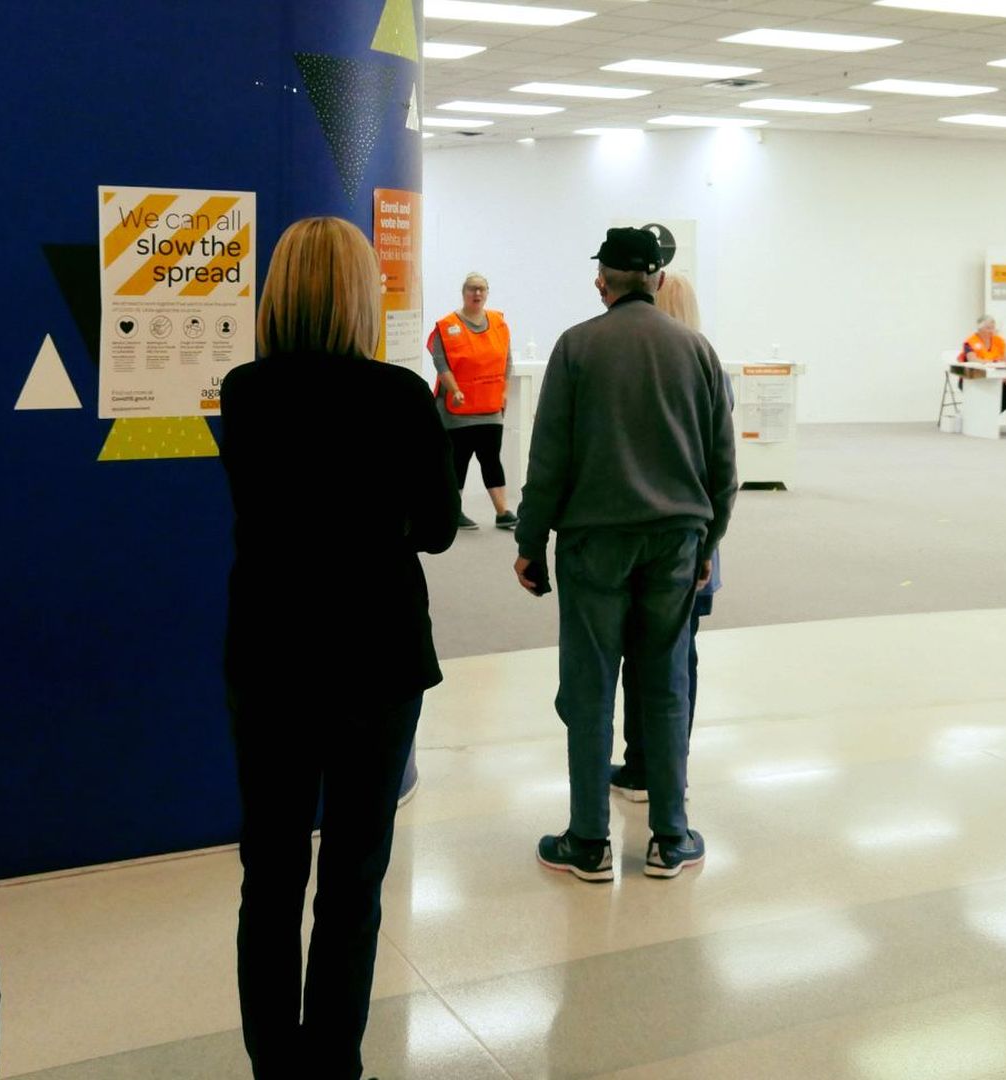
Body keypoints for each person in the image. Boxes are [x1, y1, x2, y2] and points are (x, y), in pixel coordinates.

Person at [219, 216, 459, 1079]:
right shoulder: (401, 396)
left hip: (270, 654)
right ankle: (332, 1068)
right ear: (363, 296)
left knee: (271, 873)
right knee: (354, 880)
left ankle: (273, 1065)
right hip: (377, 658)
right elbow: (438, 530)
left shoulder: (244, 392)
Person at [514, 228, 737, 882]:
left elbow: (548, 459)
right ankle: (670, 837)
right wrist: (708, 543)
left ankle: (589, 842)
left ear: (601, 282)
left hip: (594, 544)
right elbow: (723, 468)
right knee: (664, 684)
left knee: (589, 689)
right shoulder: (698, 351)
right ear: (658, 280)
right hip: (676, 542)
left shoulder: (576, 347)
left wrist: (530, 544)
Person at [611, 272, 723, 803]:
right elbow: (721, 470)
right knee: (678, 656)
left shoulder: (648, 371)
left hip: (657, 539)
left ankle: (645, 765)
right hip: (695, 537)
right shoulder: (705, 367)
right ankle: (664, 765)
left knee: (644, 655)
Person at [428, 272, 518, 530]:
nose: (476, 293)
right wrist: (454, 390)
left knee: (491, 459)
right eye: (471, 288)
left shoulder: (499, 323)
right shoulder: (446, 326)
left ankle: (503, 512)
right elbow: (440, 363)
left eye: (481, 289)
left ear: (487, 292)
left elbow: (507, 360)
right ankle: (453, 511)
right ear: (463, 292)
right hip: (457, 411)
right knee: (458, 461)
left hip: (490, 407)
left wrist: (503, 392)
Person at [959, 314, 1006, 412]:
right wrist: (993, 363)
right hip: (974, 381)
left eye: (993, 328)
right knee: (986, 399)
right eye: (988, 328)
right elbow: (973, 360)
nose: (991, 331)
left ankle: (988, 415)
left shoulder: (999, 341)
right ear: (979, 329)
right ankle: (984, 416)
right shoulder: (970, 342)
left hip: (994, 380)